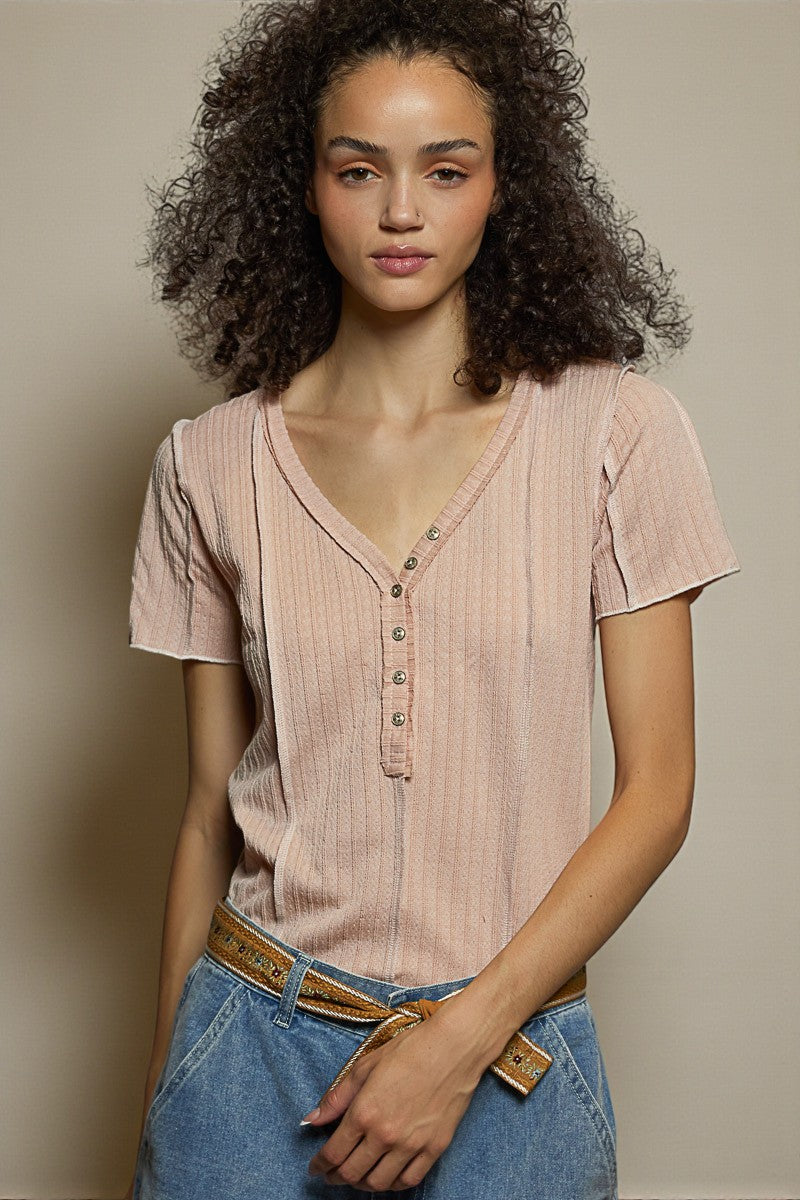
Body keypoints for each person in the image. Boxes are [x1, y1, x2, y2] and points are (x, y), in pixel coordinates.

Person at [124, 0, 741, 1196]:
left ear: (502, 186)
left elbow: (657, 790)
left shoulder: (615, 431)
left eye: (444, 169)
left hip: (509, 1061)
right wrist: (166, 1107)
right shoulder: (207, 463)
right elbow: (207, 812)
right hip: (246, 1050)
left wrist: (456, 1043)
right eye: (358, 169)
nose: (400, 211)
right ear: (300, 186)